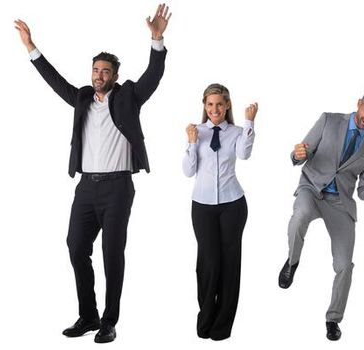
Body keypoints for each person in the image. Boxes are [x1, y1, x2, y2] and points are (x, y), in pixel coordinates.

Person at [14, 4, 172, 343]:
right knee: (75, 246)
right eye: (95, 70)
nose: (99, 75)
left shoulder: (129, 96)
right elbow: (55, 81)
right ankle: (88, 315)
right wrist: (31, 46)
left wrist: (156, 41)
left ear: (114, 75)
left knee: (112, 253)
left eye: (105, 71)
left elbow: (153, 77)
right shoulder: (83, 98)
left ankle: (109, 321)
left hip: (118, 188)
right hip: (86, 188)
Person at [279, 87, 364, 341]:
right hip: (311, 186)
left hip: (340, 202)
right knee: (299, 217)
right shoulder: (328, 120)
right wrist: (297, 154)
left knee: (344, 265)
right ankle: (292, 261)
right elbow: (303, 150)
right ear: (359, 103)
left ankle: (333, 319)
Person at [182, 84, 258, 341]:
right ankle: (205, 319)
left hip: (232, 204)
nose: (214, 109)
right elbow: (188, 171)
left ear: (227, 106)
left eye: (219, 104)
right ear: (205, 106)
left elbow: (244, 155)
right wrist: (192, 143)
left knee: (229, 264)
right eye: (210, 104)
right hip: (202, 206)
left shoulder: (237, 132)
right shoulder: (197, 131)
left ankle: (222, 327)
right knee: (208, 262)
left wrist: (250, 123)